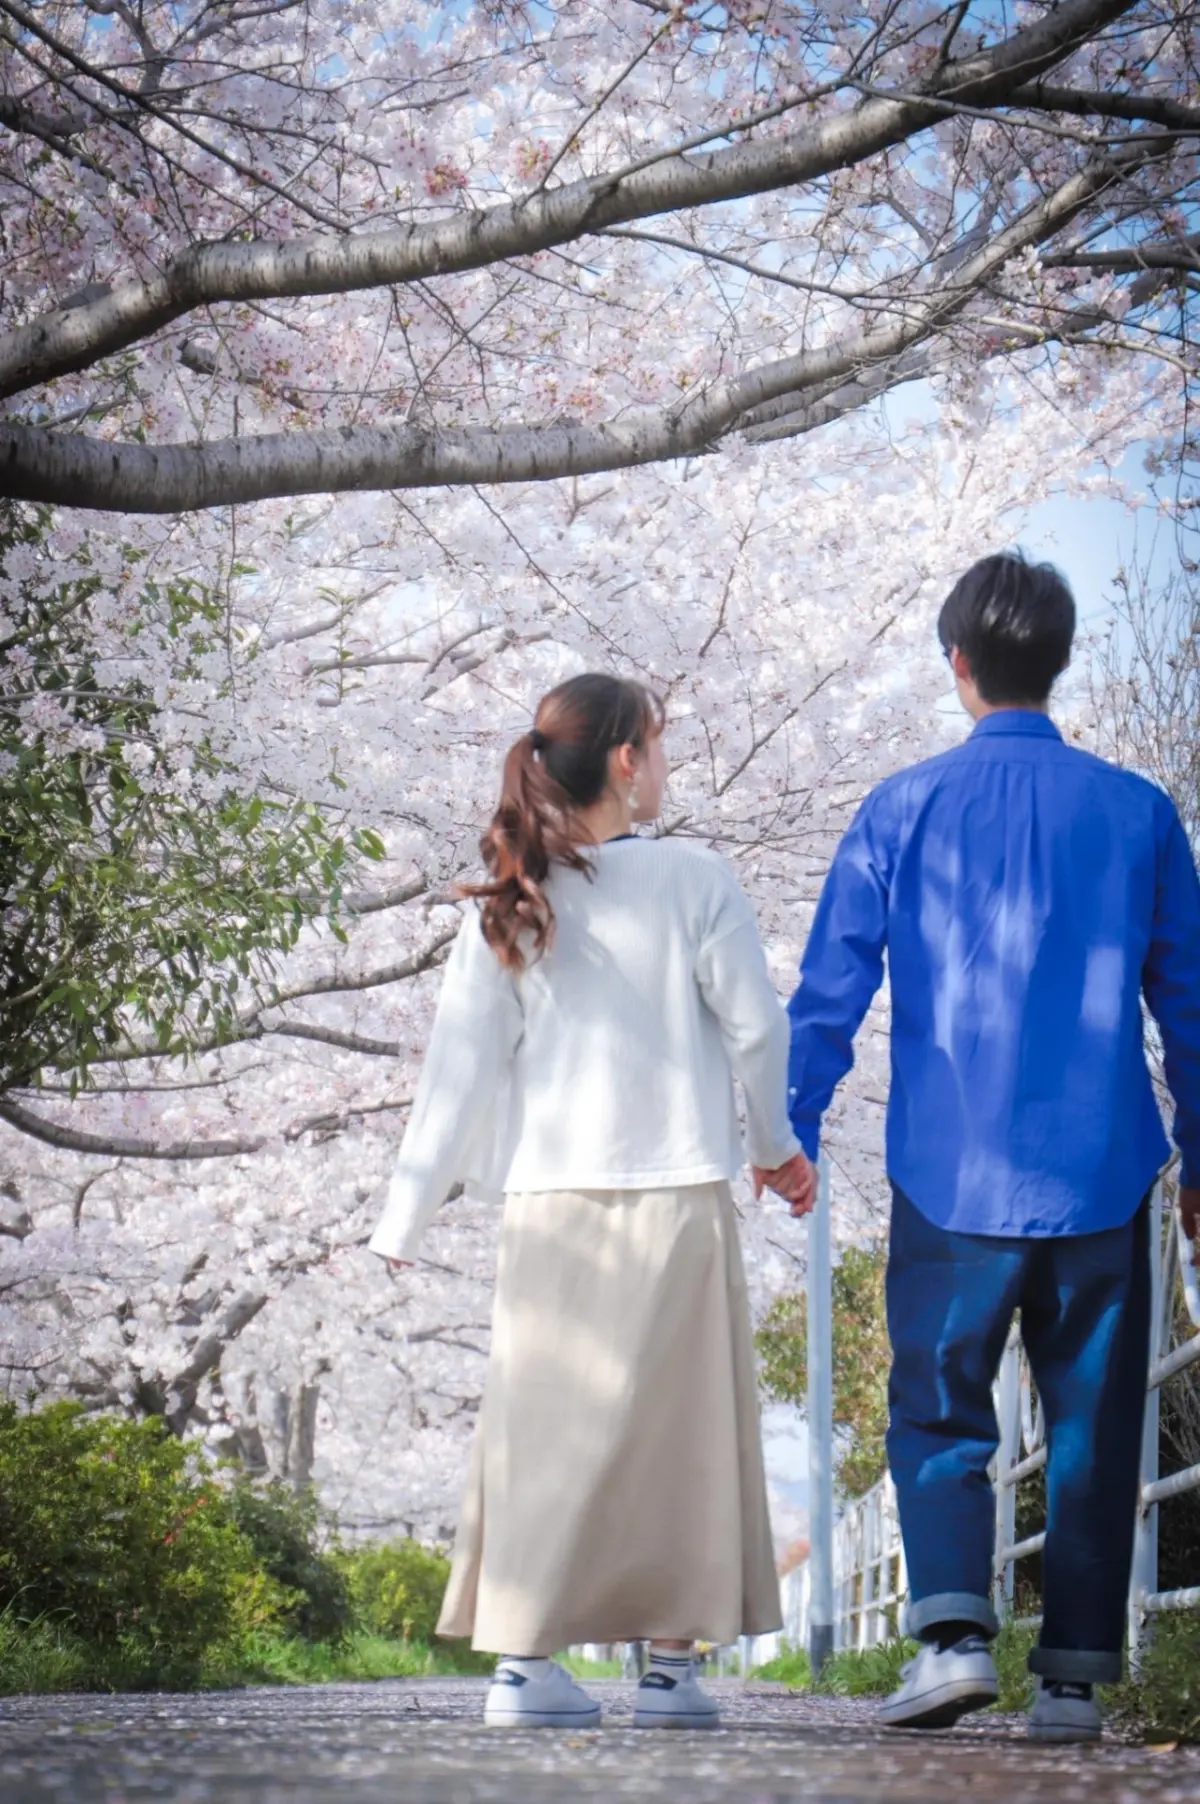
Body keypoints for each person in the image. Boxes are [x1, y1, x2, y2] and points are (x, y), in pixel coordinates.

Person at [785, 552, 1200, 1744]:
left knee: (940, 1405)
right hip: (1103, 1169)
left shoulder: (899, 808)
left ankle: (955, 1639)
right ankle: (1069, 1677)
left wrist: (793, 1124)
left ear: (957, 665)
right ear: (1056, 662)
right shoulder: (1139, 813)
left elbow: (829, 990)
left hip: (947, 1172)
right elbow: (1190, 1005)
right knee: (1089, 1422)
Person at [369, 672, 814, 1731]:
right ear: (627, 759)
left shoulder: (514, 895)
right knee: (684, 1433)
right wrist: (775, 1147)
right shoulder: (698, 878)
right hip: (676, 1189)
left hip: (551, 1201)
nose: (663, 763)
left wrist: (406, 1213)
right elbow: (756, 1030)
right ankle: (668, 1672)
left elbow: (461, 1066)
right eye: (658, 743)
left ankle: (523, 1668)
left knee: (545, 1425)